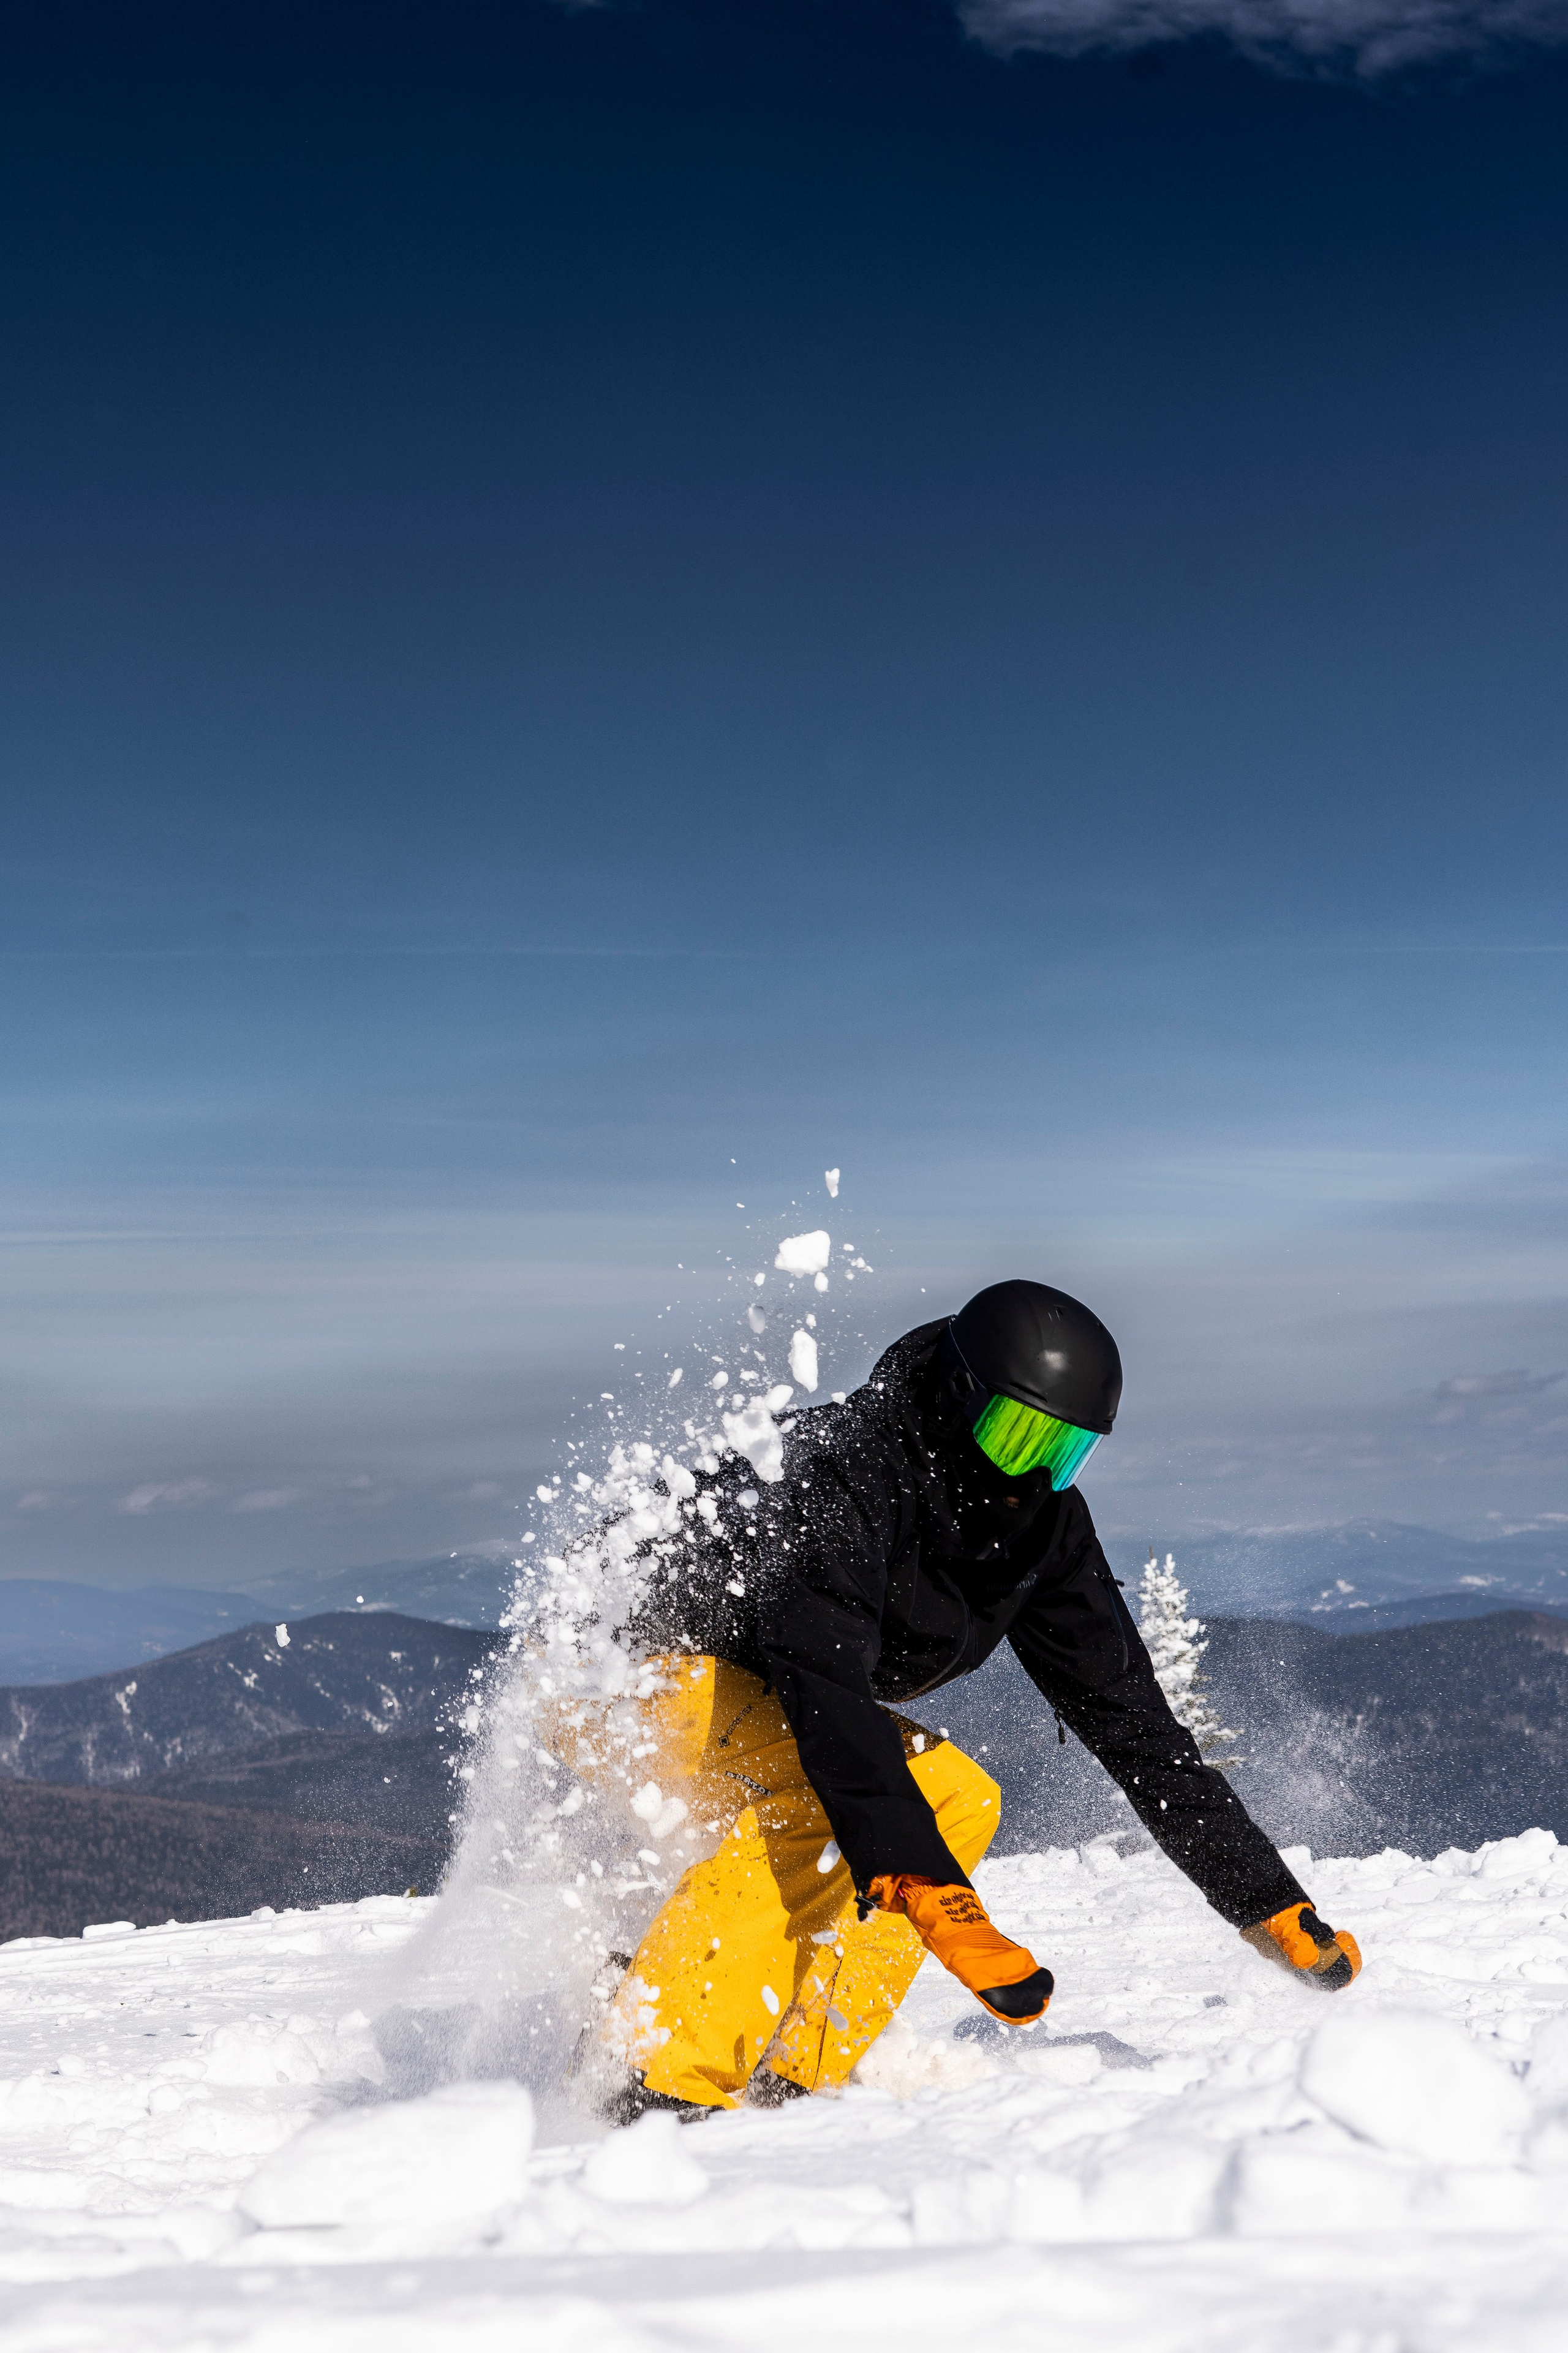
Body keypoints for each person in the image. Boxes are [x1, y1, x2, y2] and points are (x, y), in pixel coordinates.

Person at [578, 1280, 1360, 2118]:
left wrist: (1265, 1898)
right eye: (1018, 1435)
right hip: (613, 1668)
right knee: (856, 1797)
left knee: (961, 1800)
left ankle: (792, 2067)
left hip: (749, 1686)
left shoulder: (1043, 1532)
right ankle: (653, 2074)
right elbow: (827, 1693)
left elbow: (1135, 1727)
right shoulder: (848, 1471)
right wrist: (922, 1883)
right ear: (958, 1397)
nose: (1033, 1473)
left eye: (1064, 1449)